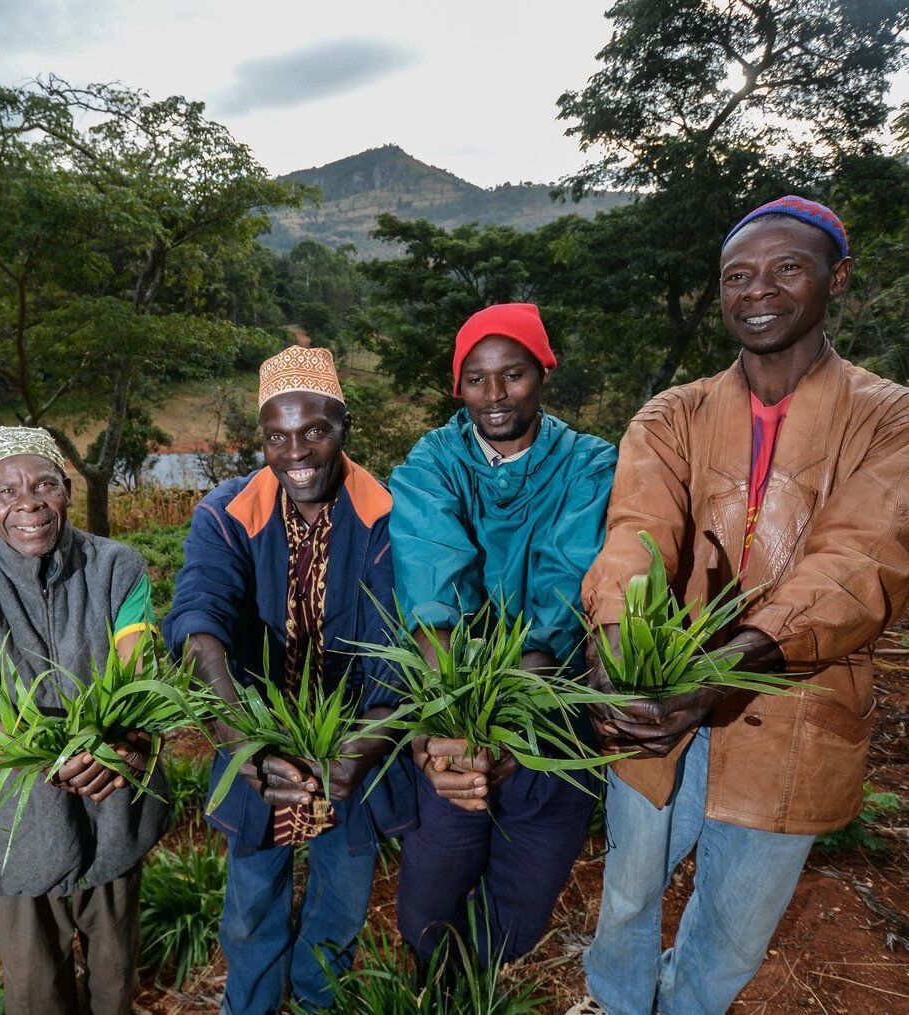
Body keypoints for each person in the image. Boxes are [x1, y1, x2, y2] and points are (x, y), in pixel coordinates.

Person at [569, 197, 909, 1015]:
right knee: (628, 890)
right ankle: (618, 1000)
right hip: (657, 701)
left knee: (735, 923)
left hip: (798, 709)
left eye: (787, 267)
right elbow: (637, 534)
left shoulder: (890, 417)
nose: (759, 290)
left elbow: (860, 560)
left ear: (838, 279)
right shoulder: (672, 414)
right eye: (738, 275)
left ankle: (687, 1004)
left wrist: (728, 666)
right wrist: (614, 645)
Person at [163, 346, 416, 1015]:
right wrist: (240, 735)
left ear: (343, 426)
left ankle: (314, 1000)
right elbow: (200, 614)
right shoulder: (226, 513)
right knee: (251, 905)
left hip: (354, 741)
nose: (296, 451)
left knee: (338, 903)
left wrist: (360, 746)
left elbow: (397, 645)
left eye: (315, 431)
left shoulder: (388, 515)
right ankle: (247, 1005)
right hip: (258, 740)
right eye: (277, 435)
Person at [0, 425, 166, 1015]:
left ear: (67, 489)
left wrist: (129, 747)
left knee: (113, 981)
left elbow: (138, 682)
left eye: (44, 483)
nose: (27, 502)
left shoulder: (117, 569)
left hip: (112, 811)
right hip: (10, 831)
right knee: (37, 994)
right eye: (6, 491)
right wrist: (60, 759)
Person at [389, 303, 618, 964]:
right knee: (435, 884)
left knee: (520, 902)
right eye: (476, 379)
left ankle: (484, 980)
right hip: (455, 706)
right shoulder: (434, 460)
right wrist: (454, 727)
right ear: (457, 386)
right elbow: (433, 586)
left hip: (551, 708)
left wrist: (509, 726)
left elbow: (563, 584)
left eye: (512, 374)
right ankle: (432, 983)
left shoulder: (587, 464)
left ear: (543, 372)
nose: (494, 396)